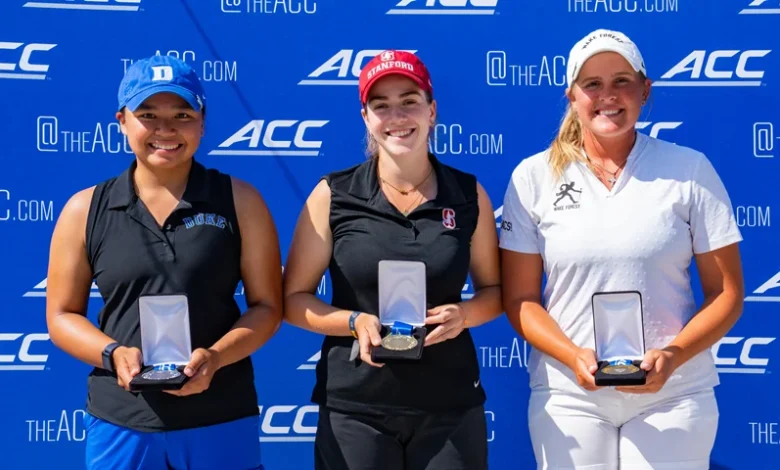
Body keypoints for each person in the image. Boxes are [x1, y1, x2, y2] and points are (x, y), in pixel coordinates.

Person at [499, 29, 744, 469]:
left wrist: (672, 356)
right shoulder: (532, 177)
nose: (607, 96)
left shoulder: (689, 170)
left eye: (622, 81)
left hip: (674, 392)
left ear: (645, 90)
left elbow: (727, 294)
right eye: (592, 83)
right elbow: (519, 300)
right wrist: (573, 356)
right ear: (572, 95)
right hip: (571, 395)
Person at [45, 55, 282, 470]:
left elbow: (267, 307)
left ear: (203, 122)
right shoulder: (85, 209)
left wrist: (217, 357)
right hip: (122, 421)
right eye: (148, 114)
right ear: (121, 121)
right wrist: (113, 353)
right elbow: (61, 315)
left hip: (221, 416)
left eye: (182, 114)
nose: (166, 129)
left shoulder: (241, 201)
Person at [282, 50, 503, 470]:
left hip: (449, 406)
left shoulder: (468, 194)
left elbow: (494, 292)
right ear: (365, 117)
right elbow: (293, 299)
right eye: (381, 105)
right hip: (356, 408)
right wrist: (353, 322)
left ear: (432, 110)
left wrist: (464, 315)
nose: (396, 116)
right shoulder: (333, 194)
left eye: (409, 101)